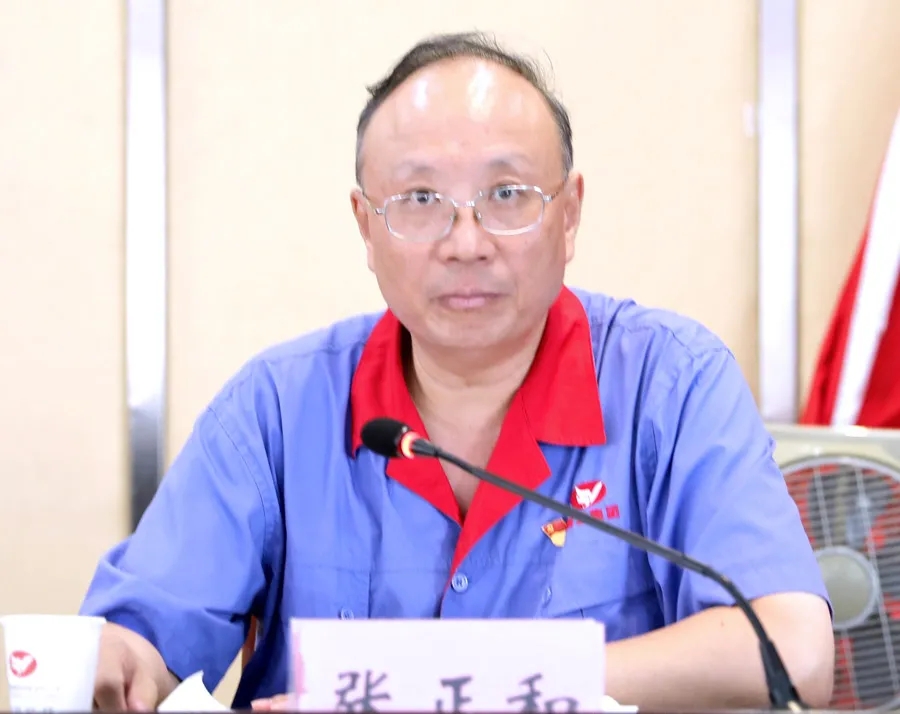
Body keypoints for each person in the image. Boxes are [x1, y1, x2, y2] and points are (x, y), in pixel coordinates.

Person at [81, 31, 835, 712]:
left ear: (570, 214)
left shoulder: (671, 386)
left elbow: (792, 653)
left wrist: (458, 683)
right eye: (420, 199)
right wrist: (112, 664)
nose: (466, 242)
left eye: (507, 195)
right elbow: (143, 640)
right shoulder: (278, 408)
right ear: (366, 226)